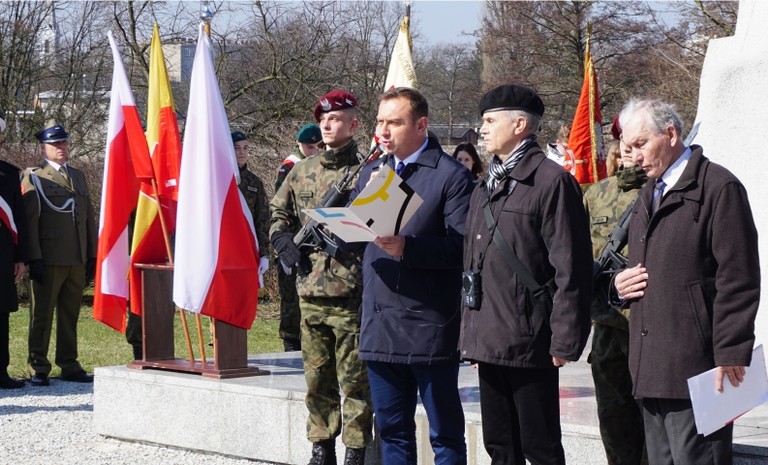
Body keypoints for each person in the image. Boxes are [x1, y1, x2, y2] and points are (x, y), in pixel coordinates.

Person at [614, 98, 760, 465]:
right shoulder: (648, 192)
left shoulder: (718, 187)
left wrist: (731, 352)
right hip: (651, 366)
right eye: (628, 147)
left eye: (640, 144)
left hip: (699, 369)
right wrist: (617, 285)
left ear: (671, 134)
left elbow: (738, 277)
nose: (634, 156)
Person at [459, 84, 593, 465]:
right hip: (490, 338)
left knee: (540, 448)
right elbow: (473, 264)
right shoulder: (486, 184)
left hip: (531, 340)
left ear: (519, 125)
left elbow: (572, 268)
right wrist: (473, 334)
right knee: (500, 447)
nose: (482, 129)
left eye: (490, 121)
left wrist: (564, 341)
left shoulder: (551, 182)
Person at [350, 87, 473, 465]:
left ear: (421, 126)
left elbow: (463, 248)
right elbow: (358, 239)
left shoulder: (451, 176)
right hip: (379, 323)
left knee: (444, 434)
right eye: (379, 122)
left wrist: (409, 248)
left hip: (428, 325)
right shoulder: (372, 173)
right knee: (392, 431)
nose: (383, 131)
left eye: (394, 122)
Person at [270, 90, 372, 465]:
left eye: (336, 119)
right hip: (310, 290)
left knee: (355, 380)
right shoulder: (301, 170)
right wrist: (282, 240)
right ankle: (321, 447)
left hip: (351, 292)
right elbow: (278, 214)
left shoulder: (368, 172)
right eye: (323, 119)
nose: (327, 125)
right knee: (316, 378)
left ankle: (355, 451)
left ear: (353, 124)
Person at [583, 116, 647, 465]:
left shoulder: (665, 190)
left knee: (656, 432)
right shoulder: (597, 194)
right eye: (624, 141)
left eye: (638, 142)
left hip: (652, 329)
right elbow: (577, 259)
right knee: (614, 426)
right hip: (608, 329)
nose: (629, 150)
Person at [21, 122, 97, 386]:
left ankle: (69, 363)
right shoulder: (34, 176)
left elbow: (88, 218)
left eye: (63, 142)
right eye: (55, 144)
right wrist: (34, 257)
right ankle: (38, 366)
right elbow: (31, 220)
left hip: (76, 257)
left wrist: (92, 254)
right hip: (49, 257)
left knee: (69, 314)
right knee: (41, 315)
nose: (61, 147)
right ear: (43, 148)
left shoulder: (78, 176)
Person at [274, 123, 322, 352]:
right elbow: (281, 207)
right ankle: (291, 343)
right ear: (299, 144)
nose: (314, 151)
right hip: (293, 242)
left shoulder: (322, 166)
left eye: (318, 146)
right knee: (291, 299)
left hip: (315, 244)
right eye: (309, 147)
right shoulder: (290, 167)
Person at [0, 116, 28, 389]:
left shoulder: (9, 174)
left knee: (1, 315)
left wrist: (20, 257)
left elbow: (19, 218)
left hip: (3, 255)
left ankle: (1, 371)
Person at [232, 131, 271, 285]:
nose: (242, 152)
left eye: (245, 148)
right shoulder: (219, 178)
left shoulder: (254, 182)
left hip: (248, 247)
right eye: (237, 148)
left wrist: (264, 254)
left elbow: (262, 220)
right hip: (225, 246)